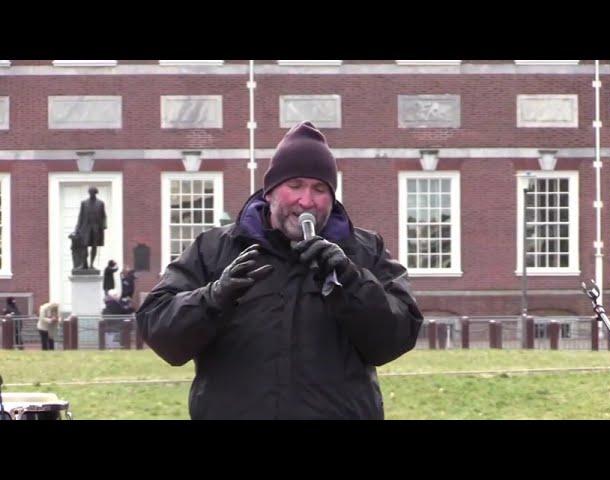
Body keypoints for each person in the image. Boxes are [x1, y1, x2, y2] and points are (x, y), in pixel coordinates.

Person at [136, 121, 423, 420]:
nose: (306, 200)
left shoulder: (364, 251)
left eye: (320, 188)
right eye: (295, 185)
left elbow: (395, 339)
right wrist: (214, 297)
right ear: (270, 192)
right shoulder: (214, 249)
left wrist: (350, 281)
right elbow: (159, 329)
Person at [73, 186, 107, 270]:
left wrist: (104, 225)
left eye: (93, 192)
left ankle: (92, 264)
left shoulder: (100, 203)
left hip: (96, 229)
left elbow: (104, 216)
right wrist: (77, 228)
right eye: (90, 192)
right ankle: (84, 264)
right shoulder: (84, 203)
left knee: (94, 246)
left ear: (95, 193)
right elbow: (80, 216)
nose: (91, 194)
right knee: (84, 246)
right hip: (85, 228)